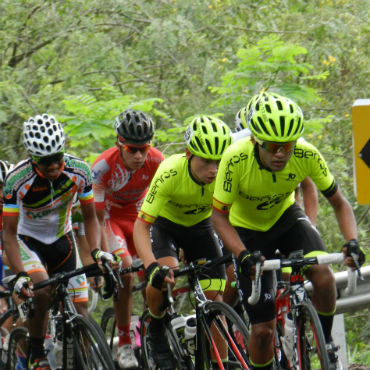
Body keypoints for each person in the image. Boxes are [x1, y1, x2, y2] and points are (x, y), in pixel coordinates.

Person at [211, 92, 364, 370]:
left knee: (324, 278)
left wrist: (352, 241)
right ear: (256, 139)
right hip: (246, 230)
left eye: (287, 146)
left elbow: (340, 203)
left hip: (286, 217)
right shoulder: (234, 158)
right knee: (263, 331)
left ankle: (325, 343)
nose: (281, 153)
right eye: (272, 146)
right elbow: (219, 217)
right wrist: (242, 254)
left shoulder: (305, 153)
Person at [2, 113, 114, 370]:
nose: (53, 166)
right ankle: (37, 350)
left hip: (62, 241)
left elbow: (90, 218)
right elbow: (8, 234)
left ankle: (80, 363)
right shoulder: (16, 181)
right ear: (32, 159)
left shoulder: (80, 171)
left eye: (57, 158)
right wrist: (20, 274)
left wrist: (96, 252)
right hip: (27, 240)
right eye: (45, 162)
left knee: (82, 309)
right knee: (41, 288)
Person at [133, 115, 232, 370]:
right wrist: (151, 265)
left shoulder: (226, 174)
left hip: (201, 227)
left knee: (216, 303)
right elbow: (141, 226)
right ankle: (155, 328)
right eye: (207, 161)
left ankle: (217, 364)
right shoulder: (169, 171)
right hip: (165, 226)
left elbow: (236, 217)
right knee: (166, 274)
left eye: (218, 162)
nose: (214, 169)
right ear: (189, 154)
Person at [91, 109, 164, 369]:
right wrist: (99, 257)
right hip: (111, 218)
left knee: (154, 276)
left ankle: (151, 333)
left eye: (143, 149)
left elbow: (166, 205)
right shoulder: (102, 167)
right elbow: (96, 220)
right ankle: (123, 343)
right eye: (132, 149)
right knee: (125, 272)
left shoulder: (157, 161)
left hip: (138, 217)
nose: (138, 156)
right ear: (119, 145)